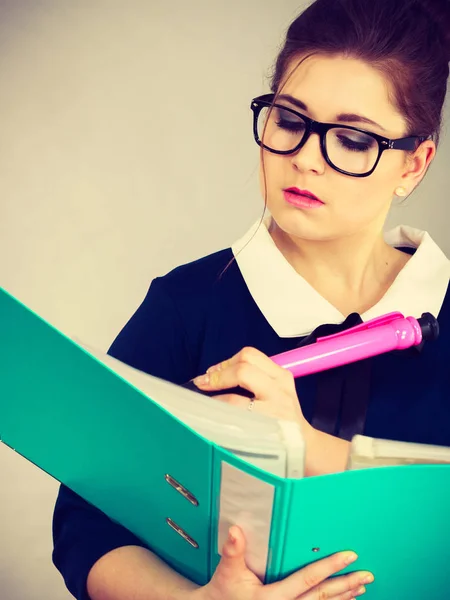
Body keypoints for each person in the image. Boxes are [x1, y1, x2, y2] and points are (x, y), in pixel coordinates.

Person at [52, 0, 450, 598]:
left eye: (352, 139)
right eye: (290, 120)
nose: (306, 158)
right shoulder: (185, 305)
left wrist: (303, 448)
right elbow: (84, 526)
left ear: (413, 166)